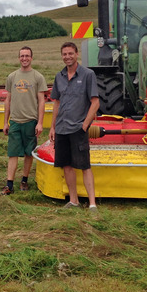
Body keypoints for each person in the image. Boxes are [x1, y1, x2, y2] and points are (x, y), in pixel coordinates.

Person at [49, 41, 99, 211]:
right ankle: (74, 201)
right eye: (64, 54)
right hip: (62, 128)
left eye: (70, 53)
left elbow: (95, 102)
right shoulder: (59, 77)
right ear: (61, 56)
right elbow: (56, 103)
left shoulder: (88, 75)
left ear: (77, 54)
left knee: (84, 165)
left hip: (78, 129)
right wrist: (53, 127)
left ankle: (92, 204)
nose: (67, 57)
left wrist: (84, 125)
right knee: (67, 166)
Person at [1, 46, 47, 195]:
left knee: (28, 153)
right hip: (15, 121)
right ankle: (9, 185)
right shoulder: (12, 77)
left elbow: (41, 101)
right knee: (12, 153)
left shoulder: (38, 77)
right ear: (19, 58)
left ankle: (24, 180)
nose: (24, 58)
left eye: (27, 56)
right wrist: (5, 122)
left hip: (31, 121)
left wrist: (40, 123)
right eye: (22, 56)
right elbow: (8, 100)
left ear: (31, 58)